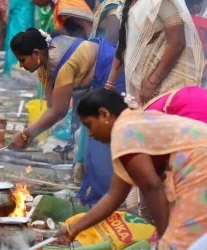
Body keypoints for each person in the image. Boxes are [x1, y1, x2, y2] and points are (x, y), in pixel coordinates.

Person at [56, 88, 207, 250]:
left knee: (178, 247)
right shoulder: (131, 123)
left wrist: (163, 236)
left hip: (198, 165)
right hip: (195, 163)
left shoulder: (123, 131)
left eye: (89, 125)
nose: (89, 133)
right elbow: (114, 196)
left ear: (104, 114)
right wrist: (73, 228)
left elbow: (151, 186)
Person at [8, 28, 125, 205]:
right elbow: (51, 106)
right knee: (92, 142)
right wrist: (28, 133)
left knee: (102, 142)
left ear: (36, 53)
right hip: (96, 80)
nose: (21, 66)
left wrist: (26, 134)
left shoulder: (62, 65)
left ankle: (106, 200)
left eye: (22, 60)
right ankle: (99, 195)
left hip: (109, 72)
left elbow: (59, 111)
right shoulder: (44, 64)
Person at [105, 0, 203, 104]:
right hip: (136, 84)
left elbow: (177, 42)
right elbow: (124, 42)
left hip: (161, 86)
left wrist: (152, 82)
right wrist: (110, 83)